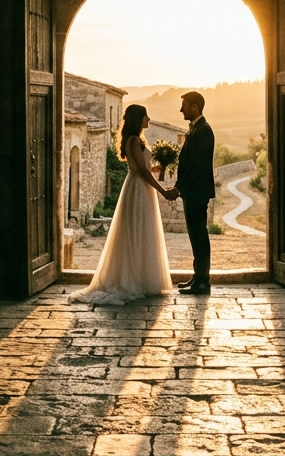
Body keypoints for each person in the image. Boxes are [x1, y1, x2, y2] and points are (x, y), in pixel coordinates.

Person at [71, 104, 178, 304]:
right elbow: (142, 172)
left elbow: (145, 168)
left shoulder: (138, 140)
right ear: (139, 119)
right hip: (138, 189)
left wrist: (160, 166)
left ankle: (143, 279)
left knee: (143, 231)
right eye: (146, 116)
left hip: (141, 188)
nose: (149, 118)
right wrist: (163, 191)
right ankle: (133, 281)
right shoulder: (134, 141)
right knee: (136, 231)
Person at [173, 90, 215, 295]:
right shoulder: (196, 129)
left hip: (197, 192)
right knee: (195, 234)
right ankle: (197, 276)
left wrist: (178, 186)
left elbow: (195, 165)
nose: (181, 109)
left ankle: (203, 281)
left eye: (184, 105)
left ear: (194, 107)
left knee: (199, 234)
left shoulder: (203, 130)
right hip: (193, 192)